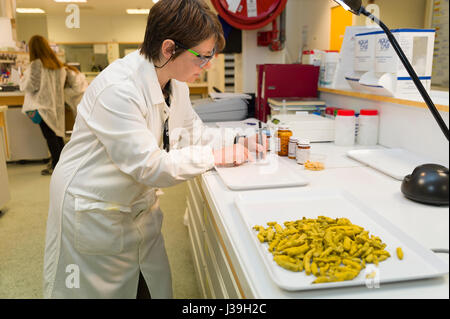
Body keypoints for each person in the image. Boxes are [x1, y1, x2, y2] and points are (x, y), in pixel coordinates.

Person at [43, 0, 264, 299]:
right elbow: (150, 166)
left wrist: (237, 143)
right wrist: (214, 157)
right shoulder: (118, 89)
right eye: (203, 56)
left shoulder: (175, 82)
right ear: (169, 48)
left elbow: (193, 133)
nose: (208, 65)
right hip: (94, 205)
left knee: (149, 284)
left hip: (136, 205)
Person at [20, 35, 67, 176]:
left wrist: (23, 79)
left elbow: (32, 85)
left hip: (41, 106)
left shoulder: (36, 64)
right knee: (57, 136)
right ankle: (62, 164)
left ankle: (57, 166)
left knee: (50, 137)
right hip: (55, 106)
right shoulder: (58, 65)